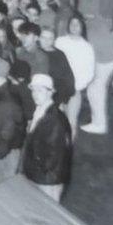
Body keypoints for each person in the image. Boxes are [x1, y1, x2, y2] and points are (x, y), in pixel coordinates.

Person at [79, 0, 113, 135]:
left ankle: (99, 124)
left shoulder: (93, 23)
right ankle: (99, 122)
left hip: (106, 57)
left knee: (95, 88)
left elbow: (96, 51)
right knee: (97, 87)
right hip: (112, 55)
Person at [21, 74, 73, 202]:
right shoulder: (41, 110)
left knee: (48, 213)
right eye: (33, 90)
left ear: (50, 92)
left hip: (48, 180)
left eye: (40, 90)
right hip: (40, 175)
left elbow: (53, 157)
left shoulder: (54, 120)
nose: (35, 94)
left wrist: (38, 172)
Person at [0, 61, 29, 185]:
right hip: (6, 148)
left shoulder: (5, 100)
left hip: (4, 152)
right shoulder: (6, 91)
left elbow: (7, 132)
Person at [54, 16, 95, 138]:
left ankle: (68, 149)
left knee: (71, 122)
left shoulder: (87, 47)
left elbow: (89, 72)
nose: (74, 26)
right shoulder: (60, 41)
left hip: (73, 89)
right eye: (72, 23)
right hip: (58, 87)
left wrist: (75, 86)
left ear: (82, 27)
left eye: (78, 24)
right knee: (57, 120)